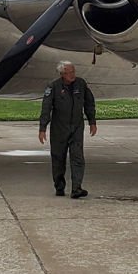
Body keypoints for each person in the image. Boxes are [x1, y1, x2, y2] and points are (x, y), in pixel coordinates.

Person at [39, 61, 96, 199]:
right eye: (69, 73)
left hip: (76, 126)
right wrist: (42, 128)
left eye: (73, 72)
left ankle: (76, 188)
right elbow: (46, 108)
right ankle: (59, 186)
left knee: (78, 157)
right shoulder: (53, 86)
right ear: (62, 74)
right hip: (59, 128)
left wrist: (92, 121)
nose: (72, 75)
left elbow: (89, 103)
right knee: (58, 158)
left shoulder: (81, 84)